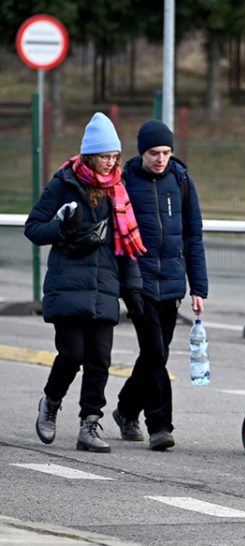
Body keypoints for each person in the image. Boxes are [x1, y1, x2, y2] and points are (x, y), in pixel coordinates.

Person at [26, 112, 144, 453]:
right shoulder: (63, 184)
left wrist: (132, 289)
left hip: (105, 287)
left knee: (99, 360)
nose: (110, 163)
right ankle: (50, 401)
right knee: (71, 354)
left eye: (114, 157)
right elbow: (33, 228)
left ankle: (90, 424)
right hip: (67, 286)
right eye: (104, 156)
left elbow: (126, 247)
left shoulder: (118, 192)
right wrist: (61, 226)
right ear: (90, 155)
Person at [111, 119, 209, 451]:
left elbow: (194, 237)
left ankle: (126, 409)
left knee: (157, 353)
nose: (161, 158)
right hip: (138, 282)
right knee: (154, 351)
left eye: (166, 152)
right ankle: (159, 425)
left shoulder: (181, 181)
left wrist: (198, 288)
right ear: (142, 152)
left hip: (171, 284)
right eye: (154, 152)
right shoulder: (124, 182)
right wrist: (124, 283)